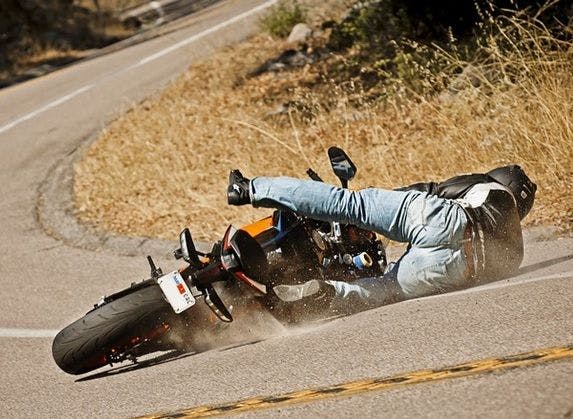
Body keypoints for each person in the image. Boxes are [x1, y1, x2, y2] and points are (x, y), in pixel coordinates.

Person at [227, 164, 536, 312]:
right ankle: (325, 292)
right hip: (457, 267)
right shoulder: (515, 256)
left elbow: (432, 190)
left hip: (448, 222)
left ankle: (250, 189)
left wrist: (374, 213)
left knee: (348, 205)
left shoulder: (495, 192)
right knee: (385, 288)